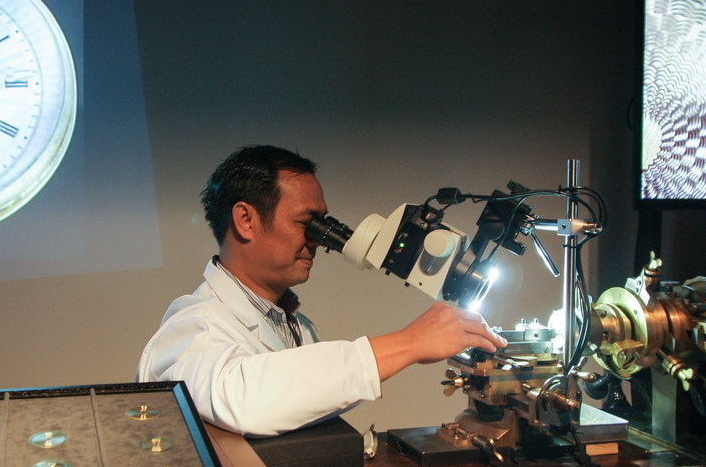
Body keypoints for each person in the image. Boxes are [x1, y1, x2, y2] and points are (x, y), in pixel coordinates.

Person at [137, 145, 505, 436]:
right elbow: (242, 399)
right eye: (306, 223)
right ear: (246, 220)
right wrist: (409, 343)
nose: (317, 239)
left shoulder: (297, 325)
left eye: (321, 223)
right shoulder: (192, 327)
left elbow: (303, 399)